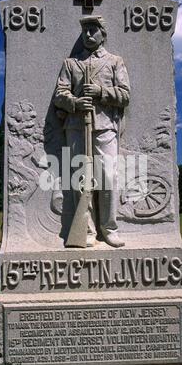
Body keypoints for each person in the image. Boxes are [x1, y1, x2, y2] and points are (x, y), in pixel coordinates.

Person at [54, 15, 130, 247]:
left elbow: (125, 95)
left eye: (93, 30)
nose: (88, 34)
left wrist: (100, 91)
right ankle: (86, 230)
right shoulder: (71, 63)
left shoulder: (115, 62)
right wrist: (75, 103)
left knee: (108, 177)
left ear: (103, 34)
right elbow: (59, 94)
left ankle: (109, 229)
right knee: (80, 180)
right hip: (76, 126)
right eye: (85, 30)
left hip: (105, 126)